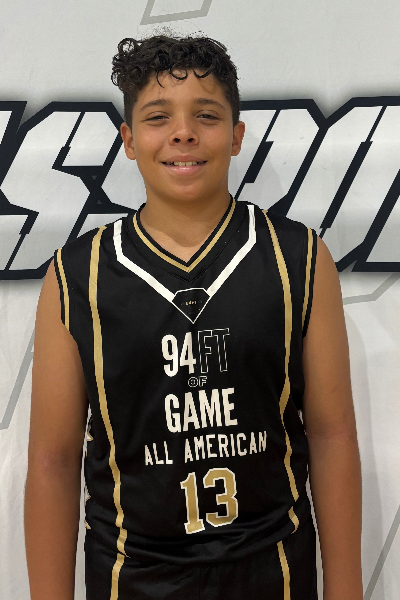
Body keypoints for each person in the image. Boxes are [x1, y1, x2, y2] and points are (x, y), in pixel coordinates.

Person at [24, 35, 363, 600]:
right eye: (158, 117)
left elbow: (331, 434)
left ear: (236, 135)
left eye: (206, 115)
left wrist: (347, 590)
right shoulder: (76, 274)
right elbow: (53, 461)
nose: (183, 133)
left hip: (273, 572)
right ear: (129, 140)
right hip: (132, 577)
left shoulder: (299, 257)